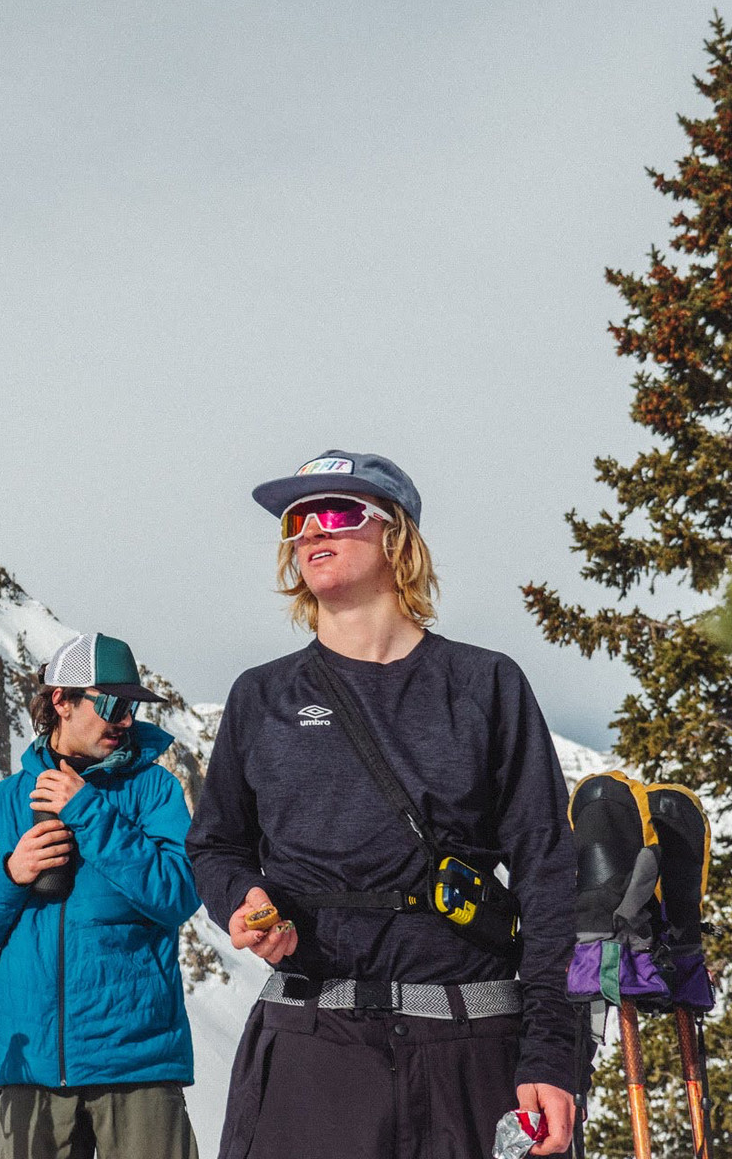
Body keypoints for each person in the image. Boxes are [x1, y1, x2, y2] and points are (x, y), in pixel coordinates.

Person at [185, 451, 576, 1159]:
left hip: (473, 1052)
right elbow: (216, 845)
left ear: (397, 537)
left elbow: (549, 874)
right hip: (311, 1055)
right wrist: (242, 899)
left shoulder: (486, 685)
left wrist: (551, 1056)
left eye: (336, 512)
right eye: (296, 521)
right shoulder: (261, 697)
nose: (310, 532)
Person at [0, 631, 201, 1159]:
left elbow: (179, 893)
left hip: (138, 1068)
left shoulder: (155, 792)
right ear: (61, 701)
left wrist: (89, 813)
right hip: (30, 1071)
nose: (126, 720)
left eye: (132, 706)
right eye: (112, 704)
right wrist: (11, 874)